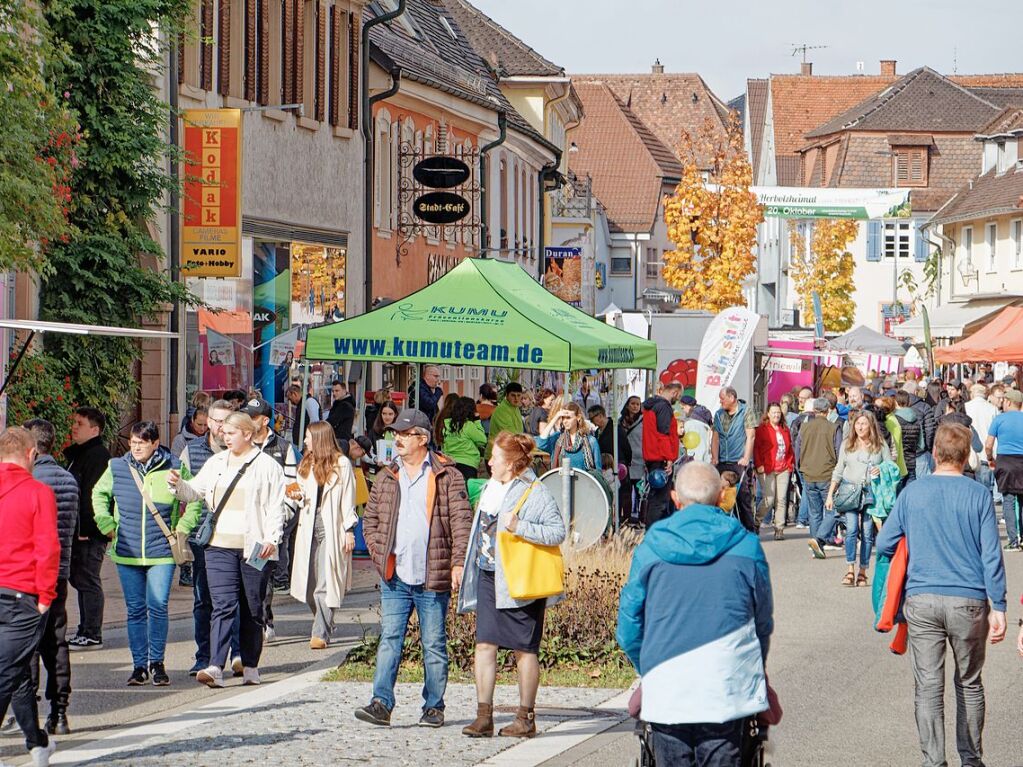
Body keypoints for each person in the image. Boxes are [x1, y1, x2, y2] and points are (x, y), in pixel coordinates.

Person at [617, 461, 773, 766]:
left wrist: (648, 664)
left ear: (676, 499)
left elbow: (629, 625)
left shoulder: (651, 548)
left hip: (667, 678)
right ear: (720, 498)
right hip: (726, 679)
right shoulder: (747, 547)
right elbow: (762, 623)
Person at [876, 423, 1007, 767]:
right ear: (966, 457)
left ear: (934, 453)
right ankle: (971, 758)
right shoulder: (978, 495)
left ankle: (933, 760)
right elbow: (991, 555)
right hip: (969, 599)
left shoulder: (912, 494)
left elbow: (883, 543)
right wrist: (1001, 606)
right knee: (969, 682)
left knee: (929, 686)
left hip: (921, 598)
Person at [354, 409, 472, 728]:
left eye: (404, 434)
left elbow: (462, 523)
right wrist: (380, 553)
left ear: (422, 438)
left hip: (432, 575)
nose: (397, 439)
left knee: (432, 643)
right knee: (390, 638)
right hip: (395, 575)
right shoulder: (387, 475)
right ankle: (381, 703)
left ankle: (434, 706)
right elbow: (372, 520)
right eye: (396, 434)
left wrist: (458, 562)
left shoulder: (448, 475)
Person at [458, 432, 567, 739]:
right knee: (484, 645)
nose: (488, 461)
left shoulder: (536, 492)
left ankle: (526, 717)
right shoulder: (492, 487)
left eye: (495, 458)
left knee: (524, 650)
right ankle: (483, 716)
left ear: (511, 463)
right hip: (489, 577)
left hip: (520, 581)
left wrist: (521, 527)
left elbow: (557, 532)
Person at [169, 412, 287, 688]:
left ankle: (250, 665)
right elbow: (194, 491)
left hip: (255, 547)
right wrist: (177, 485)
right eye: (224, 432)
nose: (225, 436)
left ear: (247, 434)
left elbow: (276, 507)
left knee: (252, 608)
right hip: (218, 545)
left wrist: (272, 538)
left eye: (231, 432)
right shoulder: (217, 462)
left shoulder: (267, 466)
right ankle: (215, 666)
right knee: (222, 605)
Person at [92, 421, 201, 687]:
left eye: (142, 442)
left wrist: (182, 529)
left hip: (162, 550)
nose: (136, 447)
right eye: (133, 442)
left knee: (158, 606)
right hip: (127, 551)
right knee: (136, 610)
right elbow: (98, 494)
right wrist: (106, 524)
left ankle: (157, 662)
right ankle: (139, 665)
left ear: (155, 443)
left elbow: (195, 499)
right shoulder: (117, 467)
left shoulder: (175, 467)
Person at [0, 427, 61, 767]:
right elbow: (48, 548)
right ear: (30, 454)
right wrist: (46, 596)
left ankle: (37, 743)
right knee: (7, 672)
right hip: (22, 592)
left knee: (18, 670)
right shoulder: (38, 492)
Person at [180, 400, 242, 677]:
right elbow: (182, 492)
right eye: (215, 420)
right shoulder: (191, 451)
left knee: (233, 598)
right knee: (203, 599)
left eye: (225, 421)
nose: (219, 426)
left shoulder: (242, 454)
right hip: (201, 535)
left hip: (233, 534)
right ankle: (204, 656)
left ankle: (238, 653)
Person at [23, 420, 78, 736]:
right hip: (58, 571)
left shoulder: (30, 480)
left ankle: (27, 709)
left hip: (30, 574)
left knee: (27, 645)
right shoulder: (68, 479)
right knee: (56, 643)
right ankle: (59, 713)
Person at [290, 422, 358, 649]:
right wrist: (296, 495)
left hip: (333, 525)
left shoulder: (342, 465)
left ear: (319, 439)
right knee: (309, 586)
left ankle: (320, 633)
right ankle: (325, 619)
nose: (306, 441)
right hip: (308, 524)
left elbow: (349, 499)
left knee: (325, 583)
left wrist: (349, 530)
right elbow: (299, 491)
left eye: (308, 437)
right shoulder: (306, 463)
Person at [241, 397, 300, 638]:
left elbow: (292, 488)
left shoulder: (283, 448)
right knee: (245, 579)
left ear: (265, 421)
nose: (248, 420)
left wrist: (282, 516)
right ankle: (251, 623)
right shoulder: (239, 445)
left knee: (262, 576)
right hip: (243, 524)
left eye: (253, 417)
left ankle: (264, 620)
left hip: (269, 527)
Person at [826, 412, 890, 587]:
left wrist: (881, 469)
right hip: (850, 490)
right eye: (857, 424)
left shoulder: (880, 444)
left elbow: (891, 466)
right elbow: (838, 470)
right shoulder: (848, 444)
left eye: (864, 424)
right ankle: (850, 569)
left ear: (871, 426)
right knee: (852, 529)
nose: (860, 427)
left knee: (868, 532)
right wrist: (831, 494)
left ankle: (863, 571)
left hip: (871, 492)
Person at [65, 407, 111, 651]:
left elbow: (94, 496)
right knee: (80, 578)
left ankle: (92, 632)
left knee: (87, 579)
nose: (74, 427)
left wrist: (89, 528)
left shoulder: (97, 456)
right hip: (79, 530)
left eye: (79, 423)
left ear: (95, 429)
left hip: (89, 532)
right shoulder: (80, 454)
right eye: (74, 422)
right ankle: (86, 630)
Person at [795, 398, 843, 560]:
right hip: (827, 473)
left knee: (814, 512)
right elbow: (838, 452)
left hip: (808, 473)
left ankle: (817, 544)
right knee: (833, 510)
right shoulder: (833, 428)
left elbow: (798, 450)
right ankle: (819, 539)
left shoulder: (804, 427)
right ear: (828, 410)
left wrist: (800, 468)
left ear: (814, 410)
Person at [711, 387, 759, 532]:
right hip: (722, 460)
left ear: (732, 398)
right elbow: (715, 437)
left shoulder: (746, 411)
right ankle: (721, 528)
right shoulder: (719, 414)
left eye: (722, 399)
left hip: (738, 460)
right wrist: (714, 457)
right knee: (719, 495)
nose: (720, 402)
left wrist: (746, 457)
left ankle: (749, 530)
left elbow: (750, 436)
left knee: (742, 496)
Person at [986, 388, 1023, 551]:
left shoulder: (999, 419)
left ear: (1008, 401)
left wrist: (989, 458)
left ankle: (1013, 539)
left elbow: (988, 445)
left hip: (1005, 461)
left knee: (1008, 500)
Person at [642, 382, 682, 527]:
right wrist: (669, 459)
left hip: (652, 456)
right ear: (675, 393)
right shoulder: (664, 407)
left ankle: (657, 528)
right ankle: (653, 531)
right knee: (659, 500)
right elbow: (663, 435)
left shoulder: (650, 406)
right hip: (660, 458)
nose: (677, 400)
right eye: (678, 397)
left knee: (658, 497)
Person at [753, 403, 794, 540]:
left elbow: (789, 449)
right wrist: (758, 465)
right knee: (769, 499)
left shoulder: (785, 429)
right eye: (774, 412)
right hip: (767, 468)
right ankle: (756, 522)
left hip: (783, 468)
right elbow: (756, 448)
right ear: (768, 414)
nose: (776, 415)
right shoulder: (762, 429)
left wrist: (790, 464)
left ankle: (779, 528)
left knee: (781, 499)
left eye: (778, 412)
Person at [536, 403, 601, 472]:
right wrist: (556, 417)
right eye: (563, 418)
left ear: (578, 417)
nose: (565, 421)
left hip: (584, 481)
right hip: (560, 481)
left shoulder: (591, 441)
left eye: (568, 418)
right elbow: (540, 444)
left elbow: (598, 470)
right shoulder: (557, 438)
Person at [440, 397, 488, 481]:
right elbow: (483, 440)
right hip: (468, 465)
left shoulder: (447, 425)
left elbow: (444, 446)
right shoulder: (468, 426)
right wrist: (477, 420)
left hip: (450, 465)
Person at [485, 383, 525, 460]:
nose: (516, 398)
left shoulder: (515, 408)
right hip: (495, 457)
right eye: (513, 395)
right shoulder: (502, 410)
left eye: (518, 395)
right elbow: (511, 434)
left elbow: (519, 432)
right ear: (507, 395)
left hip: (509, 454)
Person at [620, 397, 644, 523]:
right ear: (627, 405)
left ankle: (642, 519)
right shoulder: (620, 422)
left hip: (641, 460)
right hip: (626, 462)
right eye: (633, 404)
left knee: (641, 492)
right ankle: (627, 518)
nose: (635, 406)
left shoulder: (644, 422)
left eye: (638, 404)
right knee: (626, 492)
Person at [587, 405, 632, 470]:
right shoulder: (597, 432)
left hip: (618, 468)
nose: (591, 422)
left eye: (592, 419)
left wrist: (624, 464)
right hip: (605, 468)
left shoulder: (615, 429)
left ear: (600, 416)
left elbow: (626, 448)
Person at [893, 391, 924, 482]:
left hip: (898, 464)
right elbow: (921, 445)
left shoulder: (894, 420)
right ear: (908, 402)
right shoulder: (916, 419)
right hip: (911, 463)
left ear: (896, 402)